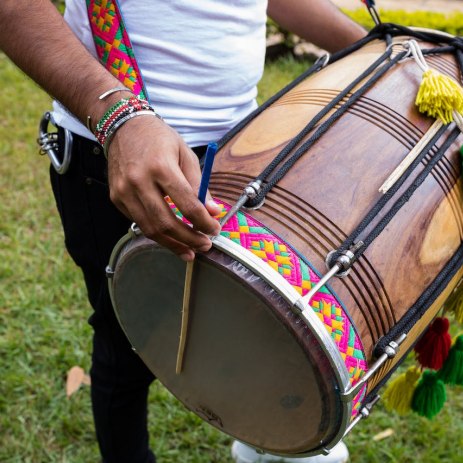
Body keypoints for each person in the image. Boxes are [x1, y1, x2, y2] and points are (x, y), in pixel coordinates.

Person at [0, 1, 366, 462]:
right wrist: (119, 117)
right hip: (116, 157)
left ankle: (266, 448)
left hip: (247, 153)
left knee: (265, 329)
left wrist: (386, 47)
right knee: (129, 347)